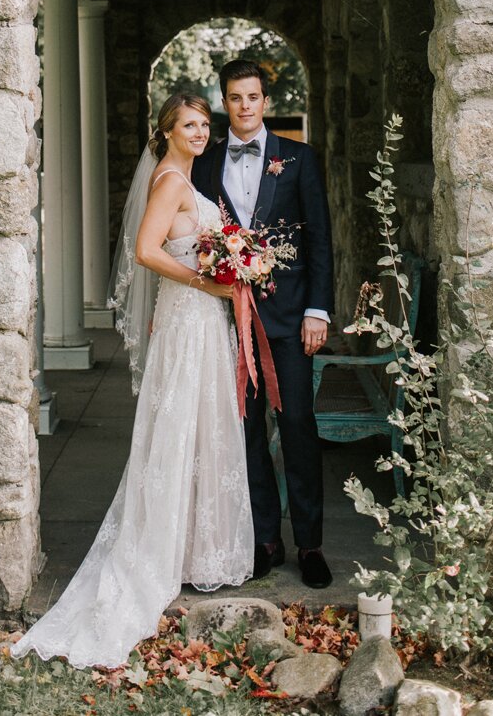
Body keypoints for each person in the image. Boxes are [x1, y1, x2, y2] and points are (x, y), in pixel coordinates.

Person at [11, 91, 253, 669]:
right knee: (180, 429)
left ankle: (193, 551)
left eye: (204, 124)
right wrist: (210, 283)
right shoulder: (171, 180)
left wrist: (234, 267)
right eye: (188, 124)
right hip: (190, 314)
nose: (199, 132)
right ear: (166, 131)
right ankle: (162, 554)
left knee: (200, 427)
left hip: (195, 319)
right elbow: (147, 251)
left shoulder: (185, 178)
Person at [193, 57, 335, 590]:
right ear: (224, 102)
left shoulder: (298, 159)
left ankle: (311, 544)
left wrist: (317, 310)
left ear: (266, 102)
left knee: (297, 427)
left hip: (289, 319)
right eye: (234, 98)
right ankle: (264, 539)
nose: (245, 106)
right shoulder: (204, 163)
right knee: (245, 431)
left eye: (253, 97)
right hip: (227, 320)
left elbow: (319, 236)